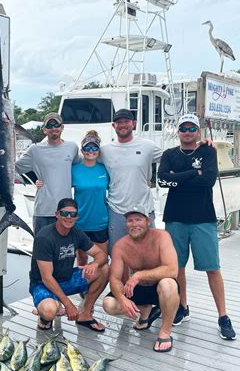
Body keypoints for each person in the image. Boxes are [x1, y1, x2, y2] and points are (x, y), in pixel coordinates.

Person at [157, 113, 236, 340]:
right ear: (178, 132)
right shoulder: (169, 154)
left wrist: (178, 178)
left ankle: (223, 316)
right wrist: (194, 173)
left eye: (192, 128)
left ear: (198, 132)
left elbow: (208, 181)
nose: (188, 132)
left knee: (212, 267)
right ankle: (183, 306)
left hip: (203, 219)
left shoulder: (208, 151)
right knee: (177, 267)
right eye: (184, 128)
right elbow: (162, 180)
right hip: (175, 218)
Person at [103, 206, 180, 352]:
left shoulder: (162, 236)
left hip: (159, 288)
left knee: (168, 284)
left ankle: (165, 332)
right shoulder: (120, 246)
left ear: (148, 221)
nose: (134, 224)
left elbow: (172, 270)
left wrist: (138, 275)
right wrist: (122, 298)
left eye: (138, 219)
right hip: (137, 289)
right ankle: (145, 313)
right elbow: (115, 278)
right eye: (130, 220)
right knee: (109, 304)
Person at [30, 198, 109, 331]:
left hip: (66, 279)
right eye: (64, 213)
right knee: (49, 311)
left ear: (77, 216)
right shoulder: (44, 237)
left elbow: (101, 255)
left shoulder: (77, 233)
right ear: (57, 214)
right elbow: (46, 278)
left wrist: (94, 264)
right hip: (42, 284)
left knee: (105, 269)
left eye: (73, 214)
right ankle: (44, 316)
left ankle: (85, 314)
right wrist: (68, 304)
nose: (68, 217)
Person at [99, 108, 162, 252]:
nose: (122, 125)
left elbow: (173, 157)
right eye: (118, 122)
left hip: (144, 209)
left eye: (126, 121)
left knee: (149, 254)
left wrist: (201, 145)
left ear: (133, 124)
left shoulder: (148, 146)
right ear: (113, 126)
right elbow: (83, 159)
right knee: (117, 253)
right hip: (117, 211)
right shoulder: (105, 150)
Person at [15, 112, 79, 235]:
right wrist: (35, 180)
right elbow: (15, 168)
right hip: (43, 211)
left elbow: (80, 166)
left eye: (56, 125)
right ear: (44, 129)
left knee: (64, 252)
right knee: (41, 250)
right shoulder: (35, 149)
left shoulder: (72, 147)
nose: (53, 128)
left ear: (62, 127)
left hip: (66, 212)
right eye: (49, 125)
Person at [72, 130, 109, 263]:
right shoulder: (74, 169)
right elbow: (58, 183)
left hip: (100, 222)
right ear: (82, 150)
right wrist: (40, 182)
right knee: (82, 259)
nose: (90, 150)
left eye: (94, 147)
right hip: (80, 223)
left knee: (102, 260)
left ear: (99, 150)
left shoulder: (105, 168)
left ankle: (98, 284)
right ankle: (83, 284)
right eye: (87, 147)